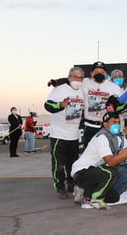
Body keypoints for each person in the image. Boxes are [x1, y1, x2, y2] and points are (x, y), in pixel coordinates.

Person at [71, 112, 127, 209]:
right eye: (113, 122)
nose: (117, 124)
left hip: (96, 171)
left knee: (114, 198)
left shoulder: (115, 138)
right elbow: (111, 162)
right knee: (111, 172)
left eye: (118, 122)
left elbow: (113, 158)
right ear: (105, 124)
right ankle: (96, 199)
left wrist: (122, 154)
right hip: (82, 171)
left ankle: (84, 191)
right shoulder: (102, 137)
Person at [44, 67, 85, 199]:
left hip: (74, 135)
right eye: (75, 77)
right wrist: (60, 105)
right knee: (59, 163)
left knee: (72, 163)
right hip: (59, 135)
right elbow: (48, 105)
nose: (78, 80)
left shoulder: (83, 91)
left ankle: (71, 184)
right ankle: (60, 186)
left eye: (80, 78)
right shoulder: (60, 90)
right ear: (69, 78)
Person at [81, 61, 127, 149]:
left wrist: (114, 106)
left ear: (106, 73)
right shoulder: (85, 82)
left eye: (102, 72)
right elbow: (70, 80)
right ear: (91, 73)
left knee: (108, 151)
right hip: (88, 126)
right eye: (96, 72)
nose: (99, 74)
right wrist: (57, 82)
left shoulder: (113, 87)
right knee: (89, 151)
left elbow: (123, 104)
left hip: (106, 126)